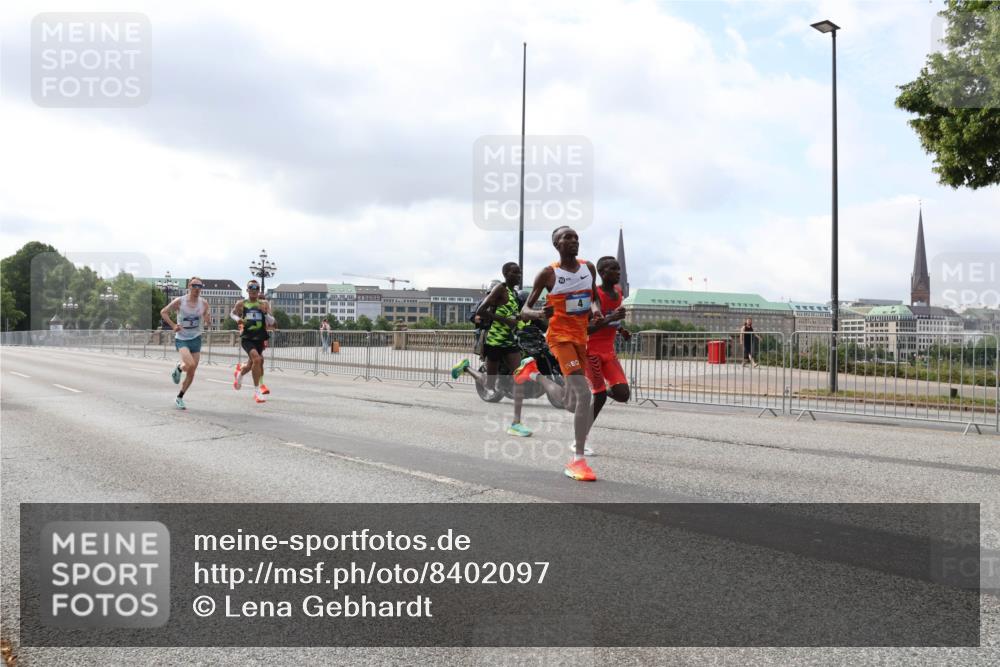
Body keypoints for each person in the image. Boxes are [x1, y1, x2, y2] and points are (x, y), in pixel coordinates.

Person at [518, 226, 603, 482]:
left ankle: (534, 374)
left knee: (570, 403)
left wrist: (596, 311)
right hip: (559, 338)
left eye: (576, 237)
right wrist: (538, 313)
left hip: (580, 338)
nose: (574, 241)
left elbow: (594, 297)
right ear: (557, 244)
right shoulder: (548, 273)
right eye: (568, 237)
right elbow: (524, 310)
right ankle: (577, 461)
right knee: (584, 394)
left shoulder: (588, 268)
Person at [451, 262, 532, 437]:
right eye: (515, 272)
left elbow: (513, 316)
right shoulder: (499, 289)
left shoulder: (514, 293)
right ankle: (466, 368)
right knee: (489, 385)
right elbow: (481, 311)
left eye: (520, 272)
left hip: (509, 341)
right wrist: (505, 321)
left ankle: (516, 423)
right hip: (494, 341)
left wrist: (523, 320)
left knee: (519, 377)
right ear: (506, 274)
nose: (519, 275)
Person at [580, 256, 632, 452]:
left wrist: (621, 330)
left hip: (609, 352)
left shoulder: (618, 293)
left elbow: (614, 320)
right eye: (613, 269)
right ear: (602, 273)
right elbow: (586, 329)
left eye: (619, 269)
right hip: (591, 352)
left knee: (623, 394)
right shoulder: (594, 296)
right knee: (600, 398)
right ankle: (580, 439)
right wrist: (611, 318)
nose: (618, 272)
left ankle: (598, 391)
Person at [160, 277, 212, 409]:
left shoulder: (204, 303)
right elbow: (164, 312)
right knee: (190, 364)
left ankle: (179, 397)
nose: (197, 288)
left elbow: (208, 321)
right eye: (194, 285)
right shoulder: (180, 301)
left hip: (196, 338)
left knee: (192, 371)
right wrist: (173, 325)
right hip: (182, 338)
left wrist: (207, 320)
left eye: (200, 286)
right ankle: (179, 367)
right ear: (189, 286)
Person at [232, 280, 271, 403]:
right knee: (258, 360)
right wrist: (238, 319)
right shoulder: (241, 303)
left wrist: (265, 313)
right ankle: (257, 392)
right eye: (251, 288)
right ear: (247, 290)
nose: (253, 291)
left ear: (258, 291)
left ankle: (240, 374)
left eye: (256, 289)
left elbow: (271, 321)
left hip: (259, 338)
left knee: (251, 364)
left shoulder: (264, 303)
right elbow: (232, 314)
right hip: (247, 338)